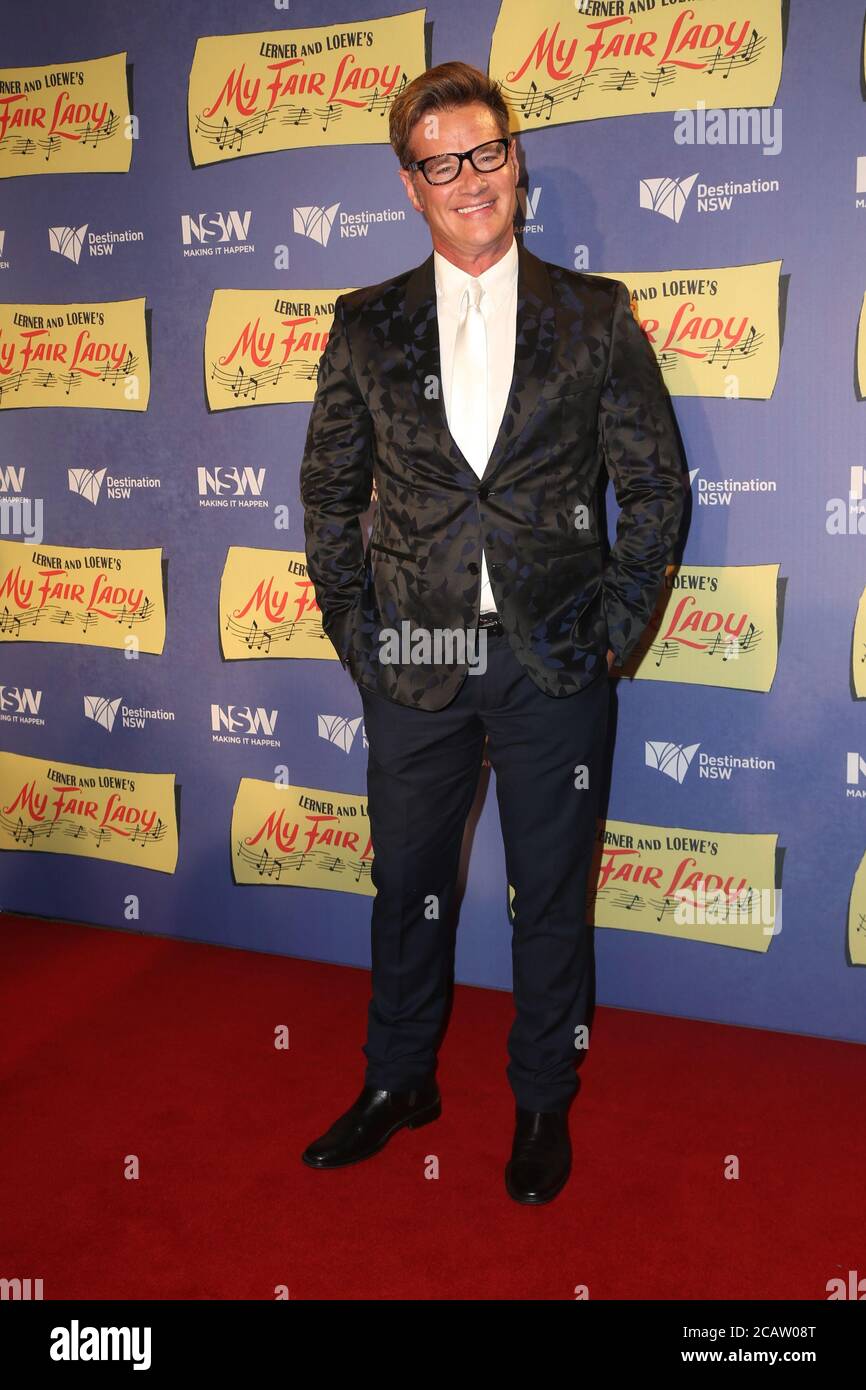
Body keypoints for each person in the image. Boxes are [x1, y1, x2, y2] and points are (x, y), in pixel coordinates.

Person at [299, 61, 686, 1203]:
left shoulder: (593, 312)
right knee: (404, 882)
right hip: (412, 660)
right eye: (439, 163)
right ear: (408, 185)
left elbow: (654, 488)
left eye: (485, 152)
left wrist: (615, 629)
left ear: (513, 161)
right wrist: (359, 640)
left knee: (549, 896)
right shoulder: (365, 325)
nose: (468, 179)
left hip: (551, 658)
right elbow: (328, 494)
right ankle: (396, 1079)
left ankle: (539, 1102)